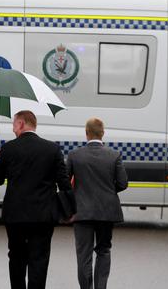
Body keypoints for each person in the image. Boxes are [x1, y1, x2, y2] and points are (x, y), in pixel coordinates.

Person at [0, 110, 73, 289]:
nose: (13, 129)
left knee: (16, 258)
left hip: (15, 216)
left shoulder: (9, 148)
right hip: (43, 216)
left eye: (13, 124)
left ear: (21, 123)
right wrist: (71, 210)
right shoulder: (52, 149)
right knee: (39, 259)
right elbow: (64, 183)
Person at [67, 117, 128, 289]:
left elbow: (64, 182)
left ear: (86, 133)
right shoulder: (114, 155)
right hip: (106, 212)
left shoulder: (74, 155)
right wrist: (108, 192)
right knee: (103, 250)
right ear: (103, 133)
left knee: (83, 255)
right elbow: (123, 183)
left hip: (81, 212)